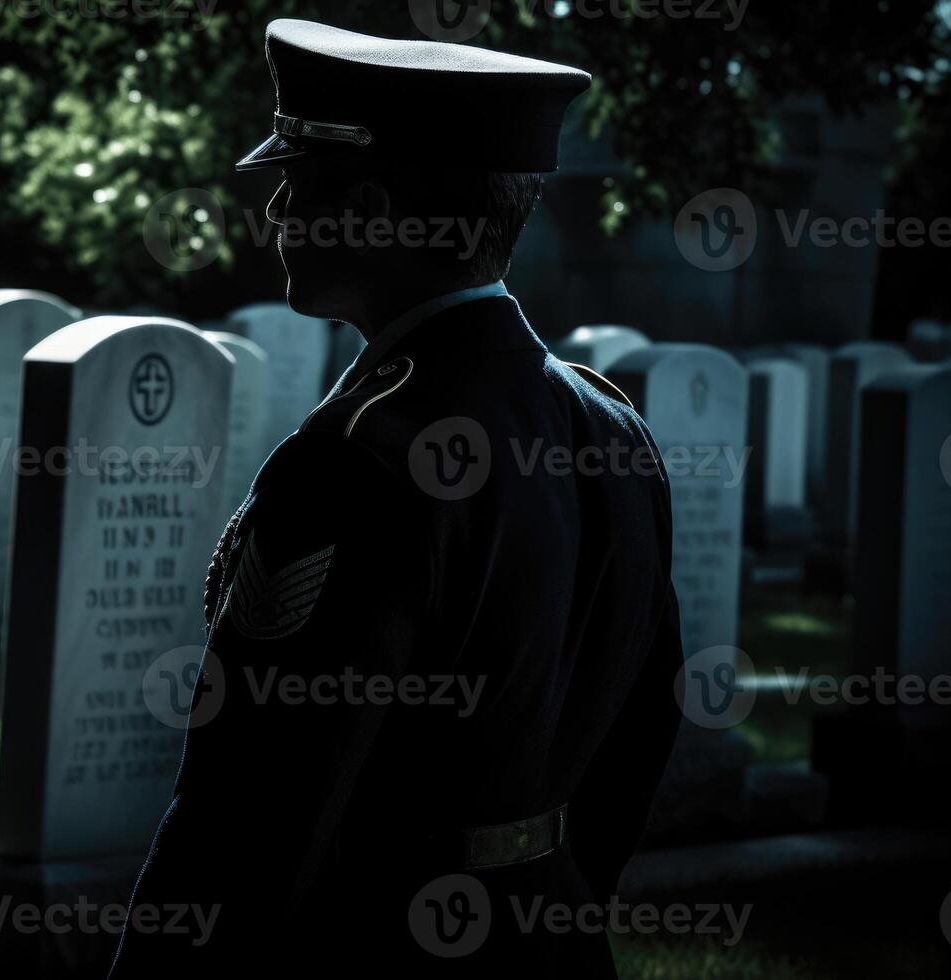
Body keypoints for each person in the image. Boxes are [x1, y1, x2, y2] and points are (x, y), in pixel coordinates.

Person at [111, 19, 681, 978]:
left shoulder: (352, 463)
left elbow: (251, 813)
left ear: (373, 213)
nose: (279, 211)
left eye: (299, 185)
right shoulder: (610, 426)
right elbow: (643, 729)